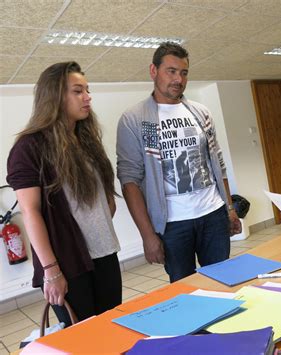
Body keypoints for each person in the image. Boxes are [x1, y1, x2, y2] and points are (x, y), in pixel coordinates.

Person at [7, 62, 121, 326]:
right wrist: (50, 270)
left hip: (105, 253)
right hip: (68, 263)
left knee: (112, 329)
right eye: (78, 91)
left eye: (87, 90)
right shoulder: (29, 148)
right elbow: (30, 211)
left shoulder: (85, 138)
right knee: (84, 339)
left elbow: (102, 194)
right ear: (55, 97)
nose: (87, 97)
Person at [117, 42, 241, 283]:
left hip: (213, 215)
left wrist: (229, 208)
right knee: (185, 291)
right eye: (171, 71)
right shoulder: (137, 119)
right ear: (154, 71)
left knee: (222, 283)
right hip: (173, 225)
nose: (178, 79)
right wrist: (147, 235)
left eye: (183, 72)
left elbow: (218, 164)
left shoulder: (200, 112)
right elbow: (130, 180)